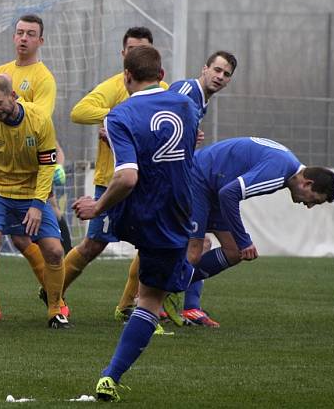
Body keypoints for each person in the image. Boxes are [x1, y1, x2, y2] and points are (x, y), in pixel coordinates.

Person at [72, 45, 199, 401]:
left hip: (145, 213)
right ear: (161, 75)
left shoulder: (120, 115)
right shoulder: (188, 106)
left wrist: (97, 206)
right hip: (179, 211)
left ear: (126, 76)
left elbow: (127, 177)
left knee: (154, 292)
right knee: (151, 299)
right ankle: (110, 375)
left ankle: (177, 284)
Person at [0, 14, 65, 322]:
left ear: (40, 40)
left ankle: (57, 301)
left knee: (41, 243)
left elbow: (37, 124)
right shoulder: (0, 72)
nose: (23, 38)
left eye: (30, 34)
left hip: (33, 172)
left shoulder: (43, 78)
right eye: (19, 32)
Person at [65, 27, 166, 323]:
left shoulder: (163, 89)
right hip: (111, 179)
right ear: (123, 55)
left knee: (150, 245)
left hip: (146, 182)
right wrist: (117, 115)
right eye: (132, 50)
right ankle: (54, 293)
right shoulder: (113, 86)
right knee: (94, 244)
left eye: (142, 50)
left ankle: (129, 306)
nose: (136, 55)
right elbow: (79, 112)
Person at [176, 137, 334, 319]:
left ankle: (188, 306)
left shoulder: (287, 166)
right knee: (195, 249)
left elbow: (227, 192)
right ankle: (152, 303)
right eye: (314, 200)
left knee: (234, 251)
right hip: (198, 177)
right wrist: (245, 240)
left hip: (213, 185)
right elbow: (229, 194)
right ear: (307, 183)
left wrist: (241, 243)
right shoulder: (279, 172)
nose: (309, 206)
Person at [158, 50, 237, 327]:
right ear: (204, 68)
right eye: (216, 70)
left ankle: (185, 306)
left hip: (179, 178)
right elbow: (161, 124)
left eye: (226, 74)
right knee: (187, 244)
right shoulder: (186, 90)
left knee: (199, 243)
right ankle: (155, 304)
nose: (220, 76)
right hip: (169, 180)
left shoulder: (200, 101)